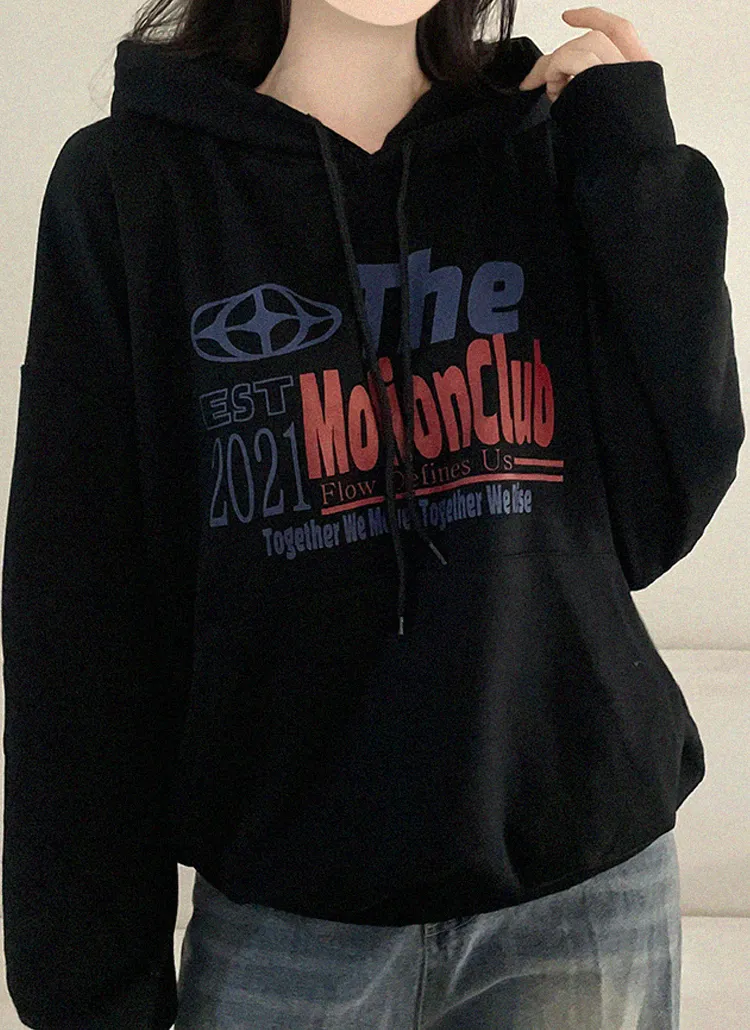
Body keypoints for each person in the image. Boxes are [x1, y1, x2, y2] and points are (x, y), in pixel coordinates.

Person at [2, 0, 744, 1027]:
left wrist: (635, 164)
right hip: (289, 924)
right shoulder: (130, 184)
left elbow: (659, 512)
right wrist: (90, 988)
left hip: (584, 891)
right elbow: (78, 610)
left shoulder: (549, 144)